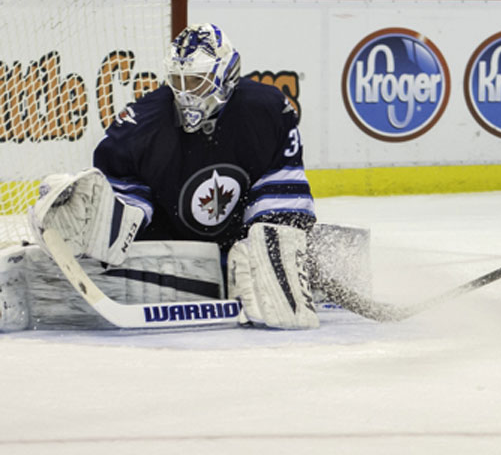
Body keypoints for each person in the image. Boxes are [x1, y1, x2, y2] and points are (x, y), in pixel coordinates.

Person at [29, 24, 319, 330]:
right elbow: (126, 191)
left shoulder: (267, 110)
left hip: (238, 240)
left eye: (195, 80)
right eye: (177, 80)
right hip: (173, 253)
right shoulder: (141, 124)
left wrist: (269, 251)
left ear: (226, 75)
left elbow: (280, 189)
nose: (185, 92)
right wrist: (100, 219)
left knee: (283, 243)